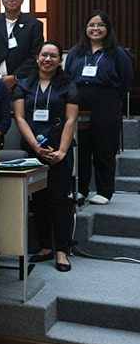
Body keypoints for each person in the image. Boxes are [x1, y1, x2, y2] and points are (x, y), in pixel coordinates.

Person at [13, 42, 78, 272]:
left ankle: (61, 250)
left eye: (53, 56)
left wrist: (61, 151)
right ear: (37, 58)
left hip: (59, 147)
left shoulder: (68, 85)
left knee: (60, 199)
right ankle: (45, 247)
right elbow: (20, 118)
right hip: (33, 149)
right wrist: (35, 147)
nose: (48, 59)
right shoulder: (24, 85)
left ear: (59, 60)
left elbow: (71, 119)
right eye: (44, 55)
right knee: (38, 200)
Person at [66, 10, 134, 205]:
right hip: (79, 102)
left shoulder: (117, 52)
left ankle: (105, 191)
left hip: (106, 102)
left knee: (104, 147)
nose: (95, 29)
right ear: (86, 29)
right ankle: (81, 189)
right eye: (91, 25)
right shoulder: (76, 52)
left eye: (100, 25)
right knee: (82, 148)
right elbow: (67, 77)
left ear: (108, 29)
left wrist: (110, 98)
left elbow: (126, 80)